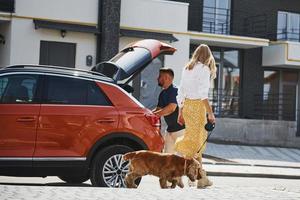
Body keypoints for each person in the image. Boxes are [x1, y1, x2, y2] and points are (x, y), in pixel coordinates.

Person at [175, 44, 217, 188]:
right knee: (194, 143)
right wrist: (210, 113)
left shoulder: (187, 68)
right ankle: (178, 174)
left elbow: (181, 90)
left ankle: (201, 178)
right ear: (208, 56)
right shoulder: (204, 69)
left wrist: (180, 111)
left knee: (196, 143)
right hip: (198, 108)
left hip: (187, 106)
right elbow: (203, 95)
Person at [153, 68, 185, 153]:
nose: (157, 78)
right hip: (169, 130)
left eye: (160, 76)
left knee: (182, 159)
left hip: (181, 131)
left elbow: (171, 108)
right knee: (167, 158)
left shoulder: (175, 91)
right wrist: (149, 113)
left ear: (167, 77)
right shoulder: (163, 93)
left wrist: (154, 114)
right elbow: (158, 110)